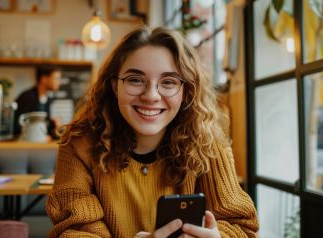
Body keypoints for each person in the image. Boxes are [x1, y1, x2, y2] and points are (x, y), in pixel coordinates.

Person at [46, 26, 258, 237]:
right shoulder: (78, 145)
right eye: (136, 80)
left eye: (168, 82)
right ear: (114, 85)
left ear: (186, 91)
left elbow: (244, 228)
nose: (151, 96)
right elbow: (74, 231)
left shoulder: (209, 146)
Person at [14, 66, 62, 140]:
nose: (59, 82)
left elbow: (45, 127)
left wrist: (55, 125)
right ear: (44, 79)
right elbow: (16, 125)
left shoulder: (48, 99)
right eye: (56, 78)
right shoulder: (28, 97)